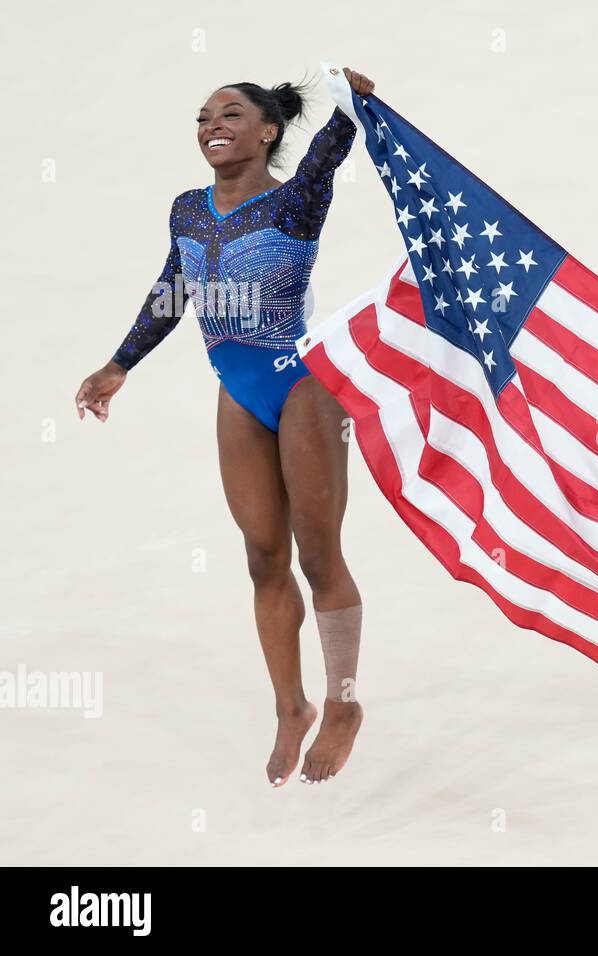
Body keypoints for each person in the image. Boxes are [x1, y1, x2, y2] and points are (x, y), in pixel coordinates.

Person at [74, 67, 380, 787]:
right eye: (205, 114)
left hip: (301, 386)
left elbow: (336, 146)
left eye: (232, 113)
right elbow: (171, 288)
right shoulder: (186, 209)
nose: (213, 122)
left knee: (318, 555)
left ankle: (342, 706)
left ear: (267, 130)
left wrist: (352, 101)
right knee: (261, 558)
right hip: (235, 390)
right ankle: (291, 707)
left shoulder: (297, 200)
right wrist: (120, 364)